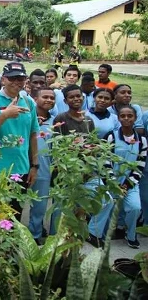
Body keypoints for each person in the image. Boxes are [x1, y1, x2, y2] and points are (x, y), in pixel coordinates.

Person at [52, 85, 113, 248]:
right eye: (71, 97)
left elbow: (92, 143)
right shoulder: (60, 118)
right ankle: (57, 237)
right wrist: (77, 148)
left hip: (88, 170)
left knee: (107, 200)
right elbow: (57, 147)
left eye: (78, 96)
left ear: (83, 97)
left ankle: (93, 232)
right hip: (68, 171)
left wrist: (92, 151)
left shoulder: (88, 119)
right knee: (63, 208)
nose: (76, 99)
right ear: (65, 100)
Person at [0, 62, 39, 220]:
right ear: (3, 79)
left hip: (21, 169)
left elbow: (34, 134)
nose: (17, 82)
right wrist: (4, 115)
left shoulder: (28, 102)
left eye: (20, 78)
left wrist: (35, 165)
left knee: (14, 219)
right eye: (12, 78)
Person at [104, 105, 147, 249]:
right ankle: (104, 234)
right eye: (123, 116)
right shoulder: (111, 136)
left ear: (135, 118)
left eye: (130, 116)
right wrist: (112, 182)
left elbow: (140, 164)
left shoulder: (142, 140)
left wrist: (127, 185)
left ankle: (131, 234)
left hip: (130, 182)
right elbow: (105, 161)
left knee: (134, 207)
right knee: (107, 206)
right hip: (112, 181)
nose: (126, 118)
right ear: (118, 117)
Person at [28, 87, 57, 242]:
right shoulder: (26, 117)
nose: (49, 100)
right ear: (35, 99)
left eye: (52, 98)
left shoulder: (56, 122)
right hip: (22, 166)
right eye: (45, 96)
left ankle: (35, 235)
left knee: (40, 204)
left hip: (43, 169)